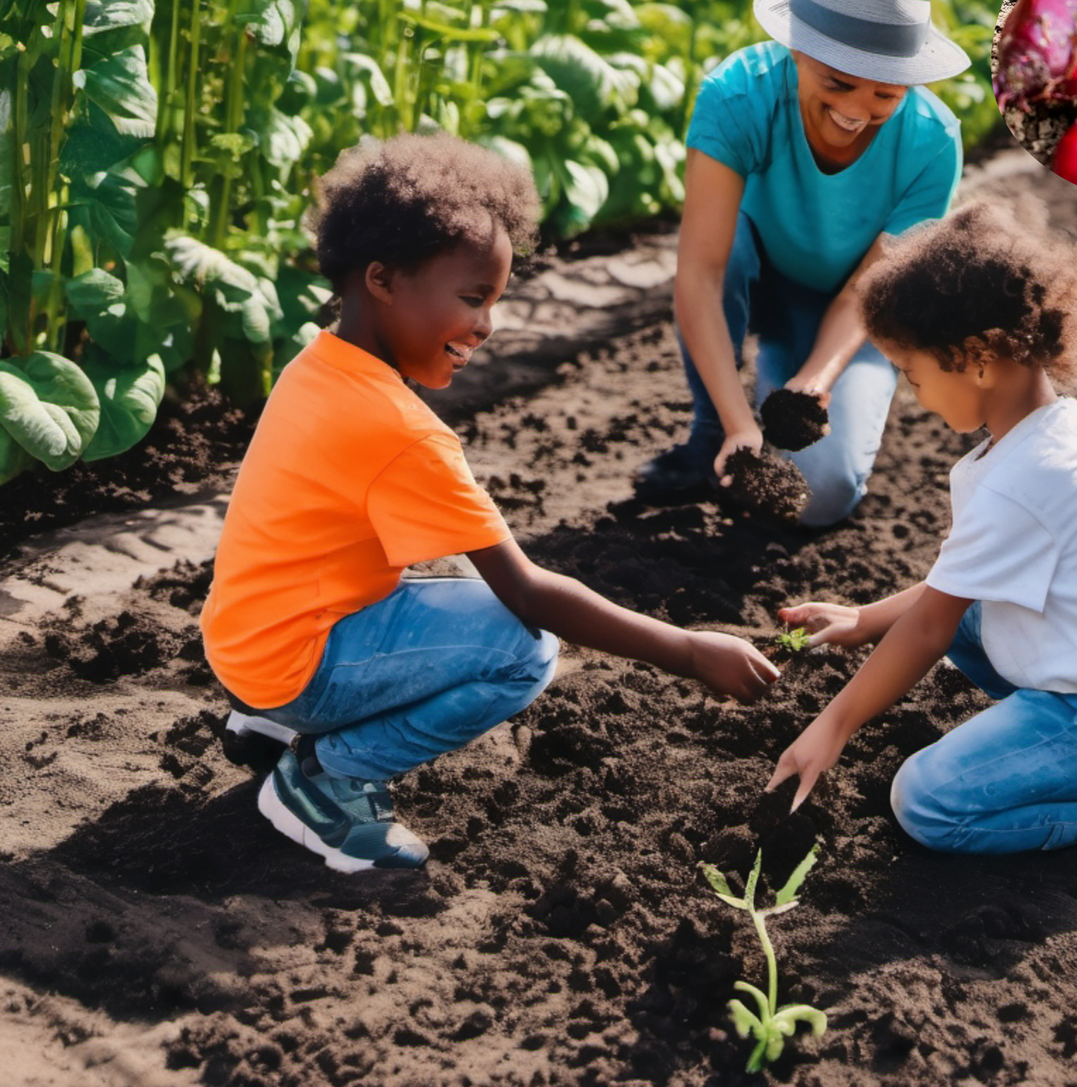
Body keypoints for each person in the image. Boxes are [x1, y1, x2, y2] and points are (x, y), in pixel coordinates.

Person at [203, 134, 778, 873]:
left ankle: (271, 724)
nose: (485, 325)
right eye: (472, 299)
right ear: (381, 277)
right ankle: (328, 779)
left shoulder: (318, 364)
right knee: (520, 649)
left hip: (245, 638)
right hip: (292, 665)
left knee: (436, 588)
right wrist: (690, 649)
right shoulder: (400, 431)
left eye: (493, 302)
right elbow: (531, 592)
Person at [766, 200, 1077, 860]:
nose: (916, 395)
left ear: (977, 359)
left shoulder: (1026, 477)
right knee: (971, 613)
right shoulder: (1046, 431)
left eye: (913, 374)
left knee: (927, 800)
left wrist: (831, 726)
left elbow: (929, 626)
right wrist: (865, 618)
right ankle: (1055, 745)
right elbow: (954, 594)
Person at [636, 0, 972, 526]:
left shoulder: (932, 142)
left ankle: (785, 382)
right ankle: (708, 434)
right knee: (727, 239)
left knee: (823, 495)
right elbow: (702, 273)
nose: (854, 111)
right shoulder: (739, 95)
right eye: (837, 81)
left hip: (853, 310)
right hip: (757, 278)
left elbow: (871, 287)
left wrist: (814, 382)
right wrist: (740, 424)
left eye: (884, 96)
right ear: (797, 49)